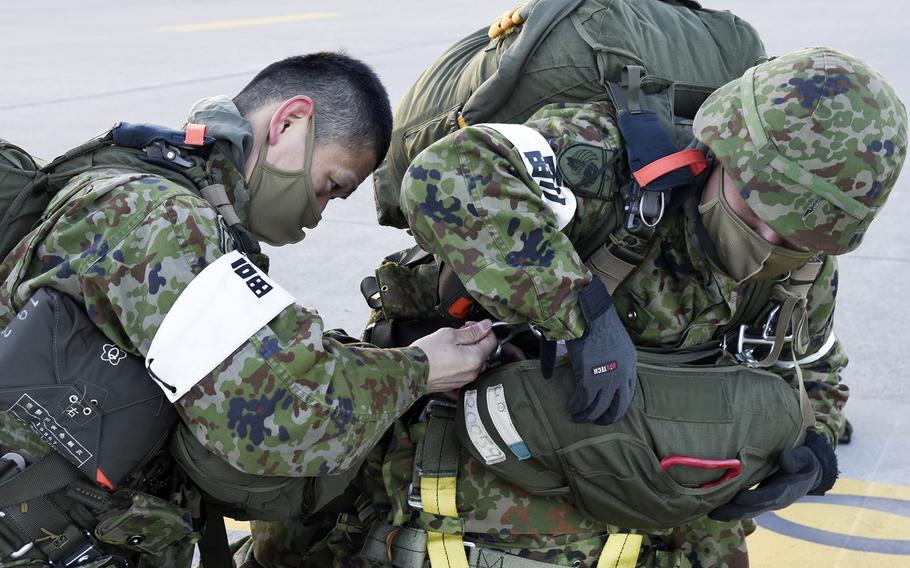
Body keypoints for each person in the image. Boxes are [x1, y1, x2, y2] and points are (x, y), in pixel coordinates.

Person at [360, 47, 907, 568]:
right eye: (755, 207)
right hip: (519, 468)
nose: (766, 239)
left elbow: (815, 365)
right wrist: (582, 310)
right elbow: (447, 175)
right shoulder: (600, 159)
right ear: (721, 152)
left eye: (794, 233)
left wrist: (817, 452)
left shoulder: (804, 265)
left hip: (674, 500)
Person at [0, 52, 496, 567]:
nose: (318, 215)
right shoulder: (167, 220)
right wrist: (421, 369)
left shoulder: (168, 199)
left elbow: (260, 354)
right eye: (331, 186)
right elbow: (277, 416)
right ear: (289, 122)